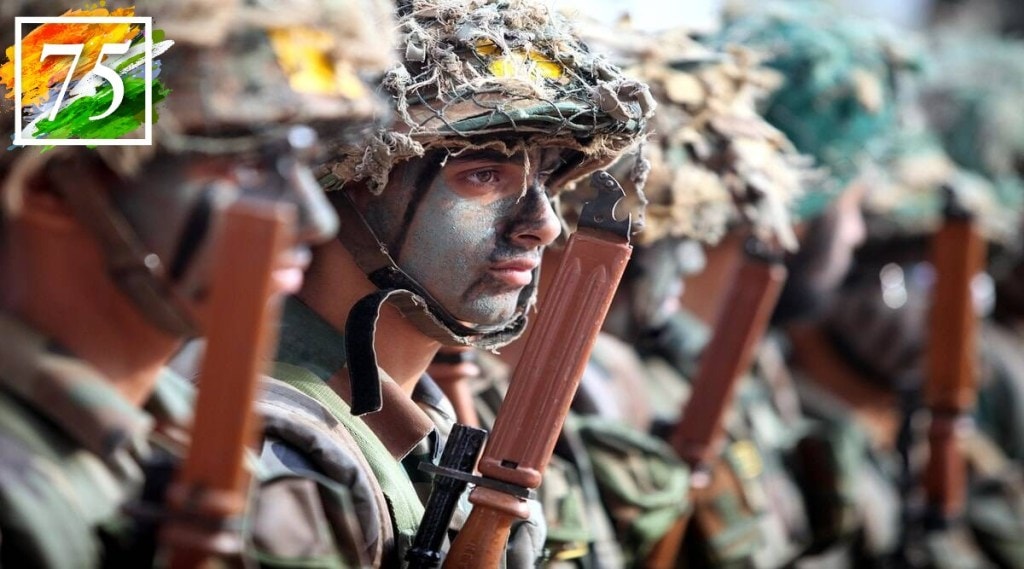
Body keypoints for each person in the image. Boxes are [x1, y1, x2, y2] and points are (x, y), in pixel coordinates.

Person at [252, 0, 654, 566]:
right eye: (484, 176)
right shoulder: (279, 450)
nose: (544, 225)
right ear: (345, 191)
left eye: (546, 181)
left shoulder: (442, 426)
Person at [0, 0, 394, 565]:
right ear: (53, 185)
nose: (314, 220)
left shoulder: (197, 440)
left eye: (305, 161)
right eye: (243, 165)